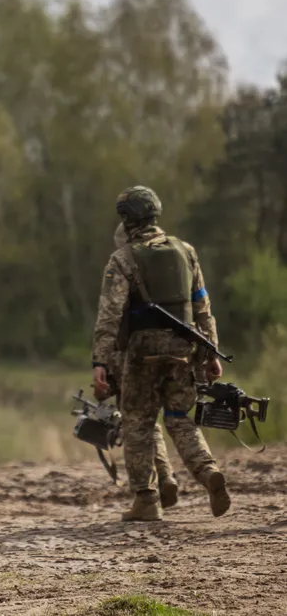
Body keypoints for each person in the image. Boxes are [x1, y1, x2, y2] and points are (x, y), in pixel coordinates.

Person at [91, 186, 231, 522]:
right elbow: (202, 306)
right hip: (185, 347)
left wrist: (100, 360)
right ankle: (207, 471)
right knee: (180, 418)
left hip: (142, 351)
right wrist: (211, 350)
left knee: (138, 421)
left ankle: (146, 499)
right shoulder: (186, 251)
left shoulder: (123, 258)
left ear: (127, 218)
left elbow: (110, 315)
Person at [105, 222, 179, 508]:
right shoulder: (164, 275)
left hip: (132, 357)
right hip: (168, 353)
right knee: (152, 423)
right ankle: (167, 475)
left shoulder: (122, 271)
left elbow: (110, 323)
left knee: (138, 423)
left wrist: (103, 363)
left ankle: (150, 489)